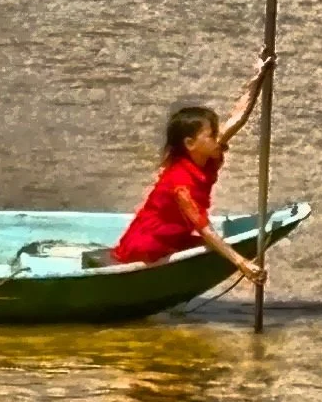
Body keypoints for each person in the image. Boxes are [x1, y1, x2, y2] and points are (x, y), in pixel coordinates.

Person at [111, 60, 273, 282]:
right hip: (149, 244)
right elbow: (205, 229)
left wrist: (259, 78)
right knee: (215, 249)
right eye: (212, 134)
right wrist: (242, 263)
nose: (219, 138)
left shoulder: (207, 155)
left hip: (176, 236)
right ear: (190, 143)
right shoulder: (180, 184)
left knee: (213, 251)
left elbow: (238, 118)